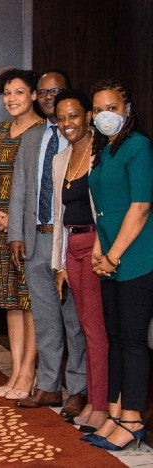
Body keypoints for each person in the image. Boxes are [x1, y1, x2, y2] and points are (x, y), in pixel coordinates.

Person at [8, 71, 87, 413]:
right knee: (44, 318)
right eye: (41, 92)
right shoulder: (32, 136)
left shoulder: (81, 136)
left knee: (74, 318)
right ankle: (49, 385)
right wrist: (14, 234)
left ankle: (78, 388)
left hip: (69, 238)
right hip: (35, 239)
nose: (47, 97)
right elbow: (20, 187)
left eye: (54, 91)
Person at [82, 79, 153, 451]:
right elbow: (104, 209)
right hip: (109, 257)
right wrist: (98, 249)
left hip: (137, 258)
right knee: (114, 339)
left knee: (133, 340)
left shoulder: (139, 147)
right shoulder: (105, 149)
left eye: (112, 107)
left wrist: (113, 255)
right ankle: (114, 413)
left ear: (126, 109)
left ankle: (133, 418)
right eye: (98, 109)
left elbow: (139, 208)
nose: (104, 115)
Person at [0, 68, 44, 402]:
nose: (12, 99)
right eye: (7, 92)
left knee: (30, 300)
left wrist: (17, 219)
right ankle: (16, 368)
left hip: (29, 227)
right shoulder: (0, 131)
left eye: (19, 92)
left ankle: (29, 372)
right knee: (10, 301)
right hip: (0, 223)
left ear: (33, 95)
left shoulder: (44, 131)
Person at [50, 89, 108, 431]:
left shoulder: (103, 155)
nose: (67, 123)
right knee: (86, 328)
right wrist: (59, 263)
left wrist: (103, 247)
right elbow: (60, 216)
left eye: (73, 116)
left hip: (98, 245)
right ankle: (93, 398)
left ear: (88, 116)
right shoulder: (62, 158)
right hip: (72, 246)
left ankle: (100, 404)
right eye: (61, 117)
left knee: (97, 330)